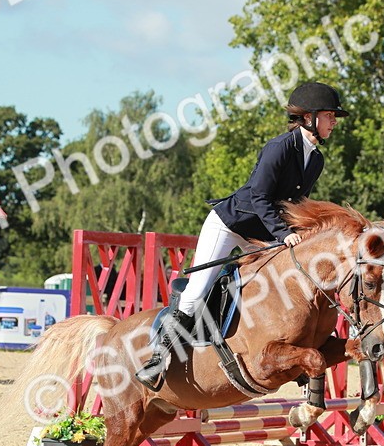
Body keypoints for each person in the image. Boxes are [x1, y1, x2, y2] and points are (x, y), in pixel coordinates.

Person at [134, 81, 349, 391]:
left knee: (277, 287)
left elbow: (295, 205)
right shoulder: (279, 148)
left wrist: (299, 233)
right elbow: (260, 197)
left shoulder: (315, 159)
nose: (334, 122)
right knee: (197, 291)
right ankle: (158, 360)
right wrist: (283, 234)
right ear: (309, 117)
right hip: (230, 224)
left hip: (261, 234)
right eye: (330, 115)